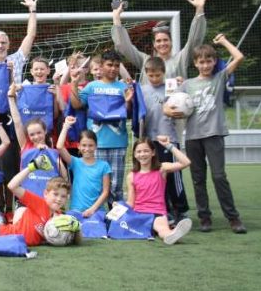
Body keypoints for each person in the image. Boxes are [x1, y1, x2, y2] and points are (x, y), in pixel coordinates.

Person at [167, 34, 247, 234]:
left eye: (209, 61)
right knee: (197, 178)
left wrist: (224, 42)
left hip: (214, 134)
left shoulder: (219, 78)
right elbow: (171, 102)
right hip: (193, 136)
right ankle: (204, 217)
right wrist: (171, 108)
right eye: (201, 62)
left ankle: (233, 217)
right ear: (195, 63)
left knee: (219, 176)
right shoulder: (187, 85)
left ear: (214, 62)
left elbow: (239, 57)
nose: (205, 65)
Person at [0, 0, 38, 221]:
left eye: (3, 42)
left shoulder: (17, 60)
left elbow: (30, 35)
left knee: (13, 165)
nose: (0, 46)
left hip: (14, 119)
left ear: (8, 44)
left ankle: (13, 208)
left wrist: (32, 10)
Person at [69, 50, 134, 204]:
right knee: (94, 185)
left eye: (116, 66)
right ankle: (94, 218)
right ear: (102, 66)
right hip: (95, 145)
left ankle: (114, 220)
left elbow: (129, 114)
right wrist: (73, 83)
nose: (113, 69)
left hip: (118, 143)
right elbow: (77, 104)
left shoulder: (122, 87)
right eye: (109, 65)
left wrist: (128, 101)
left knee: (116, 187)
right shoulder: (92, 87)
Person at [111, 0, 208, 83]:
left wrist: (199, 10)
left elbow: (195, 40)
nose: (162, 43)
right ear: (154, 44)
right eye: (158, 41)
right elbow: (124, 46)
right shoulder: (145, 60)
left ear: (171, 42)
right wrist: (116, 18)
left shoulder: (181, 59)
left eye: (165, 40)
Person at [141, 57, 189, 226]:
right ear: (146, 74)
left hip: (169, 138)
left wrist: (181, 85)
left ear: (164, 73)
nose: (155, 78)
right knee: (156, 177)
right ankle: (164, 210)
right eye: (151, 75)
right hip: (150, 140)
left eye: (158, 75)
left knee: (173, 176)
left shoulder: (172, 87)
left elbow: (182, 107)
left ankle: (181, 210)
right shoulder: (142, 90)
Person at [126, 136, 193, 245]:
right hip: (138, 214)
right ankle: (170, 232)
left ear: (153, 153)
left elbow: (186, 162)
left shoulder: (161, 169)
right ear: (134, 154)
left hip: (157, 212)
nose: (142, 154)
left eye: (146, 151)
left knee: (162, 228)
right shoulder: (131, 176)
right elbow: (130, 202)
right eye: (139, 152)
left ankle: (171, 235)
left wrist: (169, 145)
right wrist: (120, 207)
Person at [57, 116, 111, 216]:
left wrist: (92, 209)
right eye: (84, 145)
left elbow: (105, 192)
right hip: (76, 210)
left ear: (96, 146)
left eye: (91, 145)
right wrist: (66, 127)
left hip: (96, 212)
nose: (87, 148)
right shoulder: (75, 162)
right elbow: (59, 147)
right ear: (79, 146)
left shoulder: (104, 166)